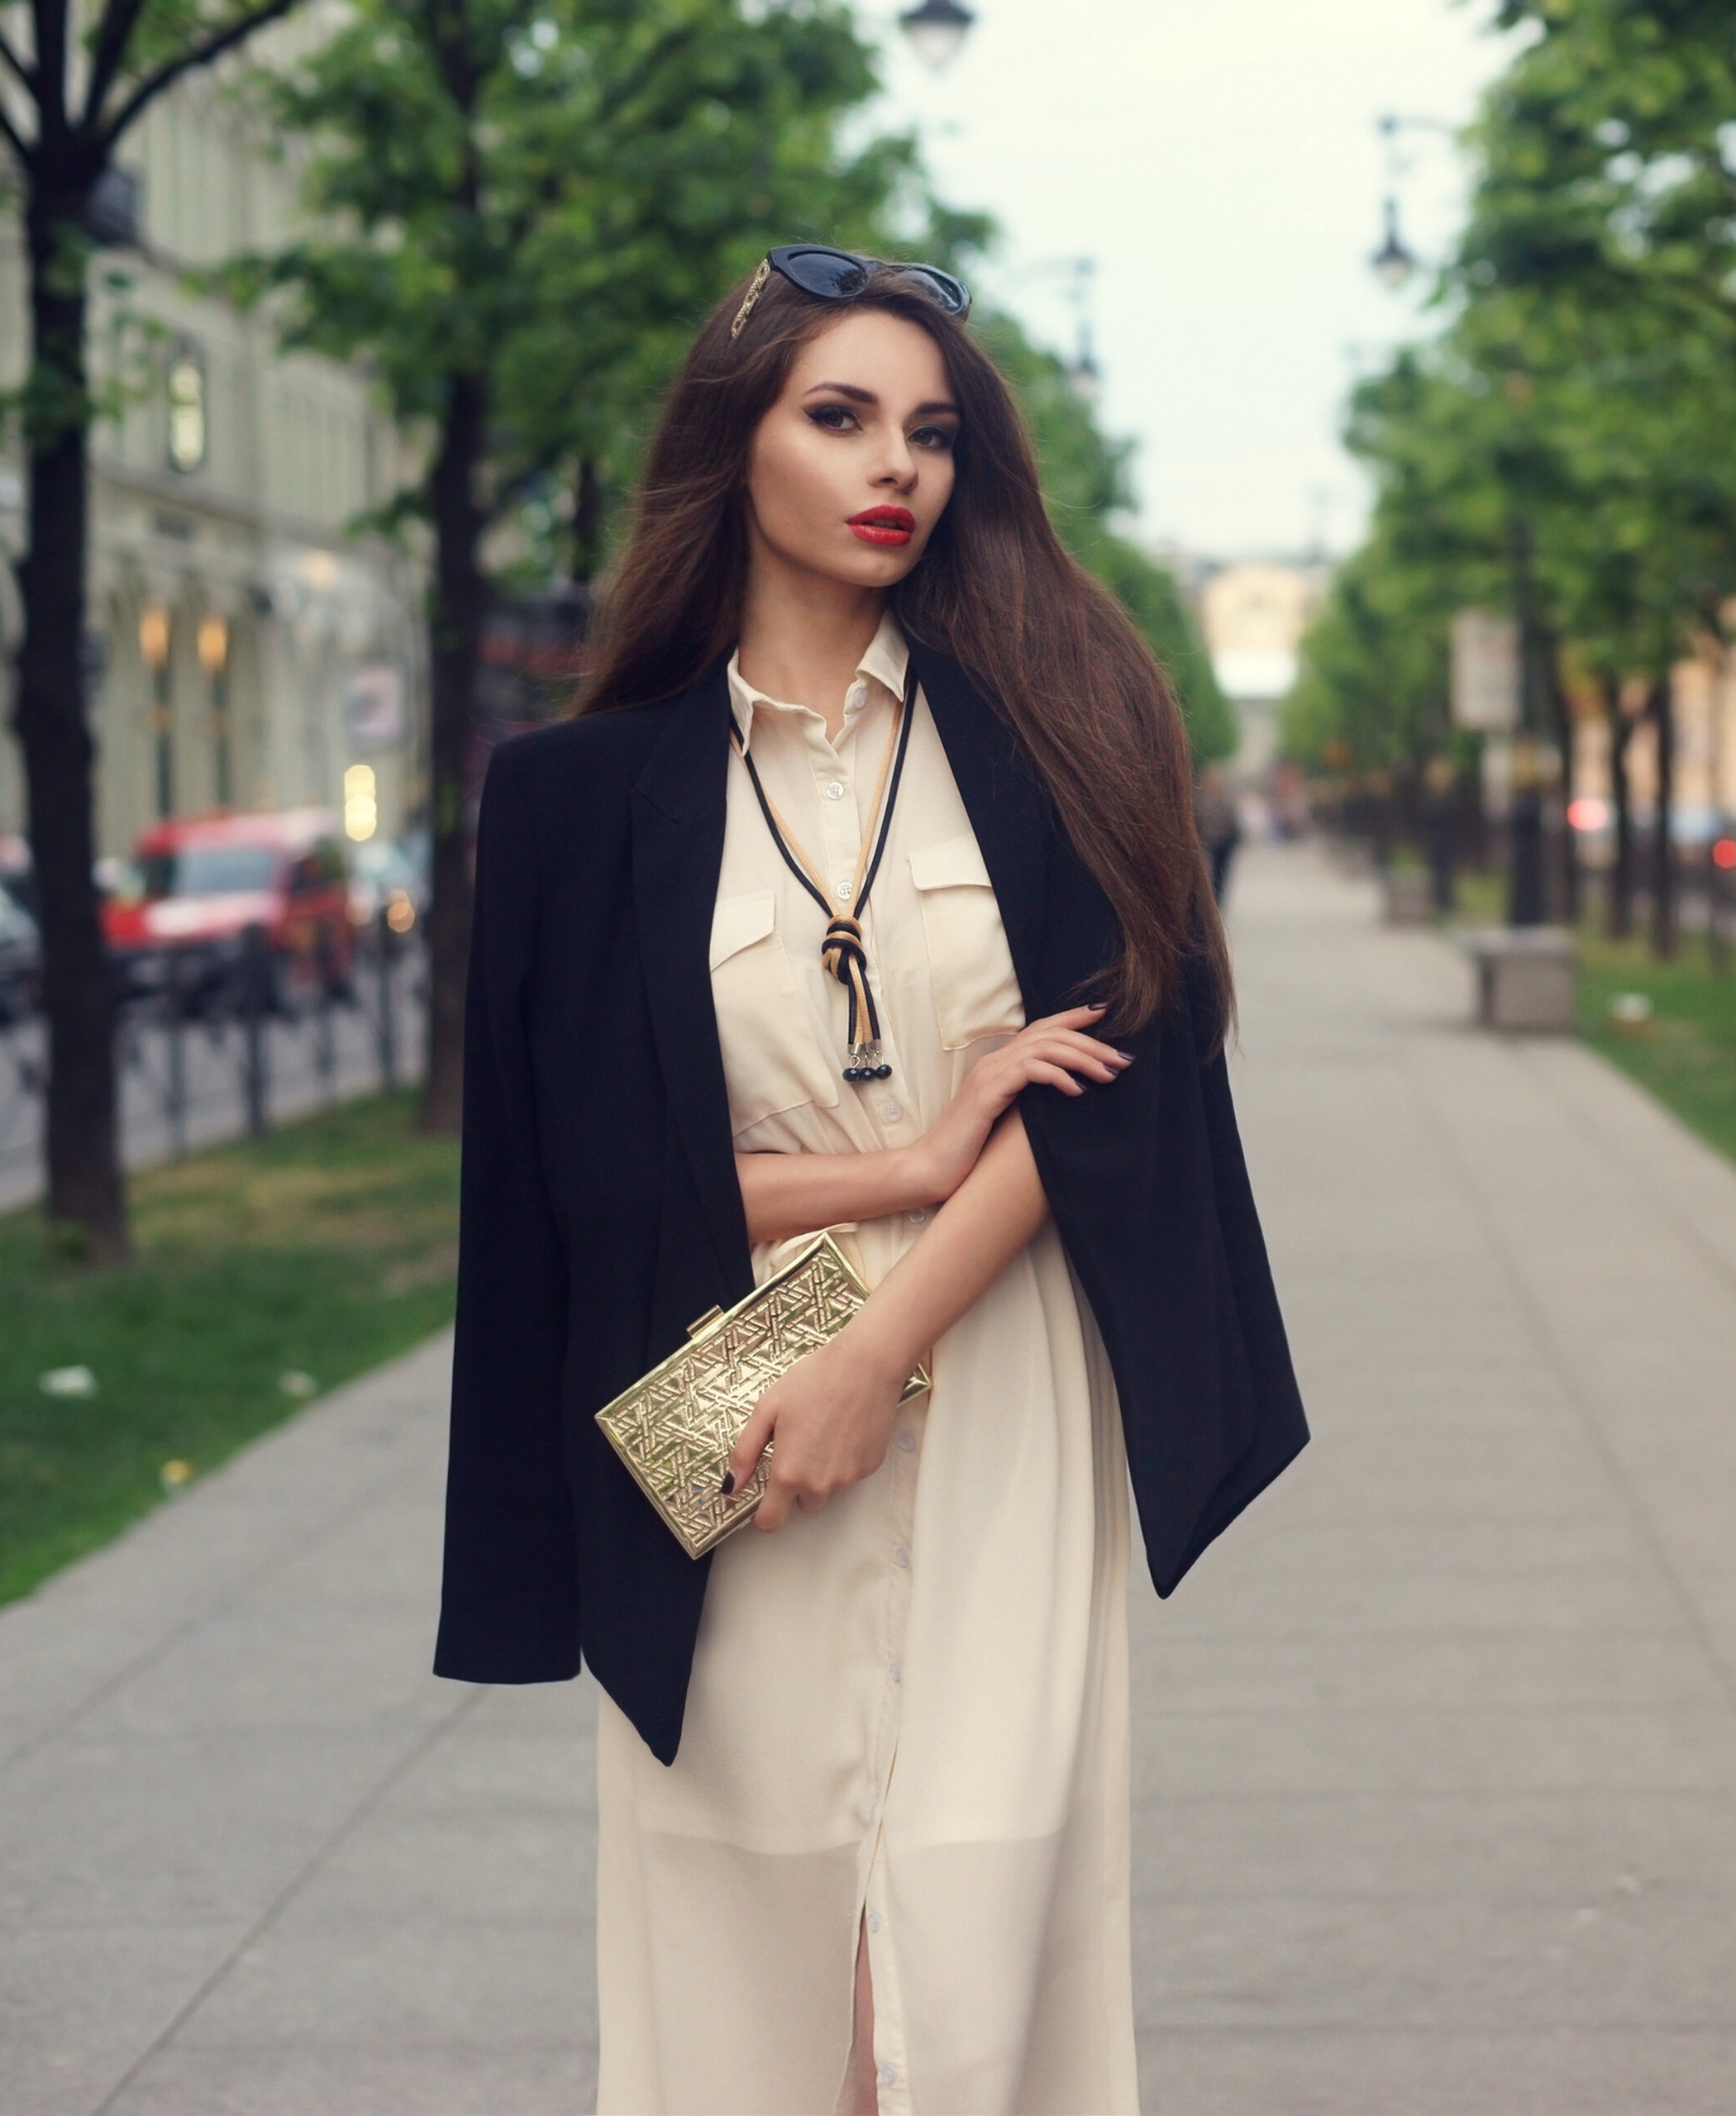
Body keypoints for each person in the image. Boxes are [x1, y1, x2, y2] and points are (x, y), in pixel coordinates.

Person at [434, 245, 1308, 2116]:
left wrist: (880, 1335)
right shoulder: (581, 794)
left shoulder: (1060, 726)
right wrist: (899, 1162)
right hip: (726, 1403)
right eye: (836, 415)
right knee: (749, 1937)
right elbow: (580, 1172)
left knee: (975, 1923)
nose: (890, 462)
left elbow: (1120, 1071)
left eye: (926, 429)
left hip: (1000, 1384)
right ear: (731, 444)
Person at [1193, 763, 1242, 903]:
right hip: (1205, 843)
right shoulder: (1198, 799)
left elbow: (1232, 821)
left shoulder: (1226, 800)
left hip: (1223, 844)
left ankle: (1217, 899)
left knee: (1220, 874)